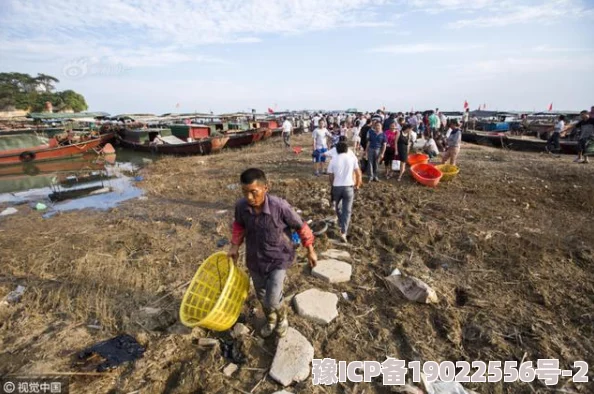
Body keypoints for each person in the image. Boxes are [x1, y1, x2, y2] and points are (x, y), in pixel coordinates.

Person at [229, 168, 317, 338]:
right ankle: (270, 320)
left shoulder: (279, 206)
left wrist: (310, 250)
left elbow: (301, 226)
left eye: (253, 192)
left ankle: (282, 318)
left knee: (272, 298)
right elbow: (239, 226)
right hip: (255, 260)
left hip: (279, 258)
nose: (249, 197)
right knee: (262, 295)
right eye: (244, 192)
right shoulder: (241, 207)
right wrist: (234, 246)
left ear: (265, 188)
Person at [328, 142, 362, 244]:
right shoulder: (352, 159)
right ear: (347, 149)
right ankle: (343, 232)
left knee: (338, 207)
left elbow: (330, 175)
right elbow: (358, 173)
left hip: (337, 187)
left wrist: (332, 185)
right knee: (347, 211)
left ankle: (340, 222)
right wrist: (357, 184)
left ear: (337, 150)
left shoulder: (333, 160)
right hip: (348, 187)